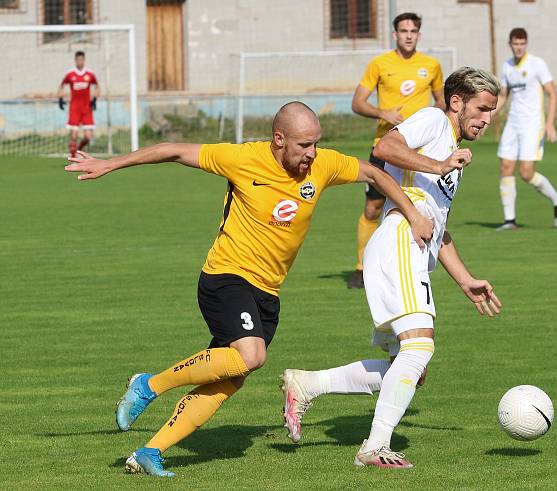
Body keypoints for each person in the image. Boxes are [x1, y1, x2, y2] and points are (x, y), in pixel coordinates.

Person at [63, 102, 436, 478]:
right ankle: (148, 384)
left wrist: (413, 213)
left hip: (267, 293)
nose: (311, 153)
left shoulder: (323, 164)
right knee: (252, 355)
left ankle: (149, 451)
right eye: (304, 145)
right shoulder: (242, 158)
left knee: (228, 379)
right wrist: (110, 164)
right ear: (279, 139)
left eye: (316, 144)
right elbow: (173, 150)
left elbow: (374, 171)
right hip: (226, 277)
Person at [280, 68, 503, 468]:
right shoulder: (435, 120)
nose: (486, 119)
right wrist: (439, 164)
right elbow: (385, 147)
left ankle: (308, 384)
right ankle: (374, 447)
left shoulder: (448, 145)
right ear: (456, 102)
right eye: (483, 108)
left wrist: (465, 279)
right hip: (400, 238)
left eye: (492, 111)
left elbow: (438, 227)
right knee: (419, 347)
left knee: (411, 368)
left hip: (412, 245)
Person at [347, 12, 445, 289]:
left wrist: (428, 117)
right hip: (384, 148)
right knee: (373, 207)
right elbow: (357, 103)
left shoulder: (432, 65)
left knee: (422, 206)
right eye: (404, 31)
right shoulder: (379, 64)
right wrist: (383, 113)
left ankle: (412, 267)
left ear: (419, 34)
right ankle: (361, 267)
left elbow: (442, 101)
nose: (409, 35)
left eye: (413, 30)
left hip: (419, 152)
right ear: (395, 34)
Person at [495, 28, 557, 230]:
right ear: (510, 44)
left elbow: (552, 93)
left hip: (533, 124)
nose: (518, 47)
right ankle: (510, 221)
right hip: (513, 123)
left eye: (522, 43)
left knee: (526, 173)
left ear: (526, 44)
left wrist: (550, 122)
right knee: (506, 167)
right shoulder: (507, 66)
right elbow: (503, 96)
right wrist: (487, 116)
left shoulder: (537, 64)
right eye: (515, 43)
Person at [58, 51, 99, 158]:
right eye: (78, 60)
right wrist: (60, 99)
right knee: (74, 135)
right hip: (74, 108)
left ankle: (79, 149)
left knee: (88, 136)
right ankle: (73, 157)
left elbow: (97, 86)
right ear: (75, 60)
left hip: (87, 108)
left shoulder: (90, 74)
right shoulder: (70, 74)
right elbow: (61, 86)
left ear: (84, 60)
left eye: (82, 60)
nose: (80, 62)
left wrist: (94, 99)